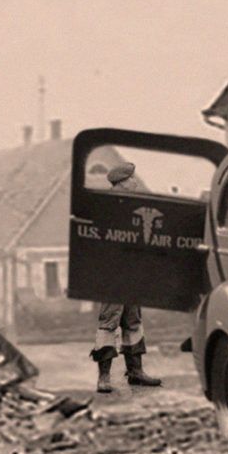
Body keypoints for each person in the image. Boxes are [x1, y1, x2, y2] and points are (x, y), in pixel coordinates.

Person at [92, 163, 164, 394]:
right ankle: (103, 377)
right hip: (113, 275)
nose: (135, 182)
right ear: (122, 182)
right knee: (109, 324)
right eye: (132, 179)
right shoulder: (107, 207)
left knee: (133, 322)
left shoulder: (134, 207)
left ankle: (135, 372)